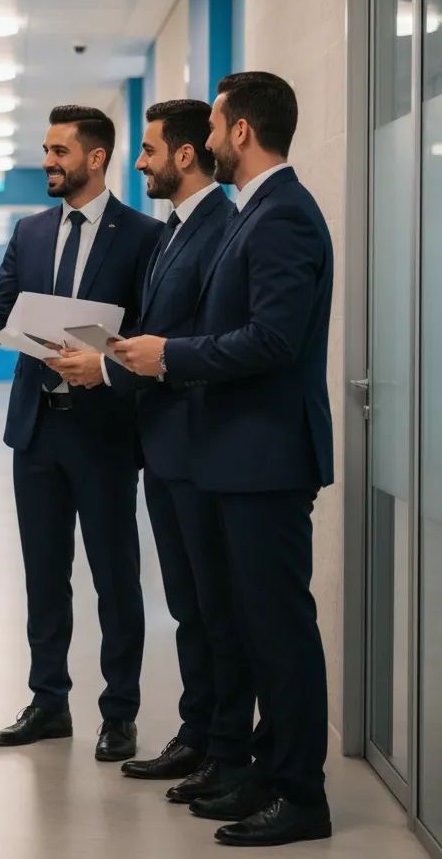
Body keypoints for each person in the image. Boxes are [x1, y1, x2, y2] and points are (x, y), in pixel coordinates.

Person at [115, 71, 334, 847]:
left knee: (279, 631)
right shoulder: (260, 212)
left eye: (213, 126)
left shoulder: (283, 217)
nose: (207, 141)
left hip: (267, 458)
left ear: (241, 131)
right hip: (238, 456)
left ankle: (300, 796)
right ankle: (263, 773)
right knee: (249, 624)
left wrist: (170, 353)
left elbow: (274, 341)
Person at [0, 106, 161, 761]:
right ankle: (48, 701)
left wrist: (107, 366)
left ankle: (120, 711)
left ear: (96, 157)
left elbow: (152, 335)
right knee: (43, 575)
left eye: (59, 150)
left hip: (105, 431)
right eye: (46, 149)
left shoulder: (141, 236)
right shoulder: (30, 232)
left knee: (116, 576)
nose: (49, 160)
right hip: (37, 432)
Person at [110, 101, 254, 799]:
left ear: (186, 155)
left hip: (203, 448)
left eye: (148, 149)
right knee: (189, 605)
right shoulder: (174, 232)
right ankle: (199, 735)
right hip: (166, 447)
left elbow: (196, 341)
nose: (140, 163)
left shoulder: (223, 230)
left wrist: (119, 364)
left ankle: (225, 747)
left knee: (213, 607)